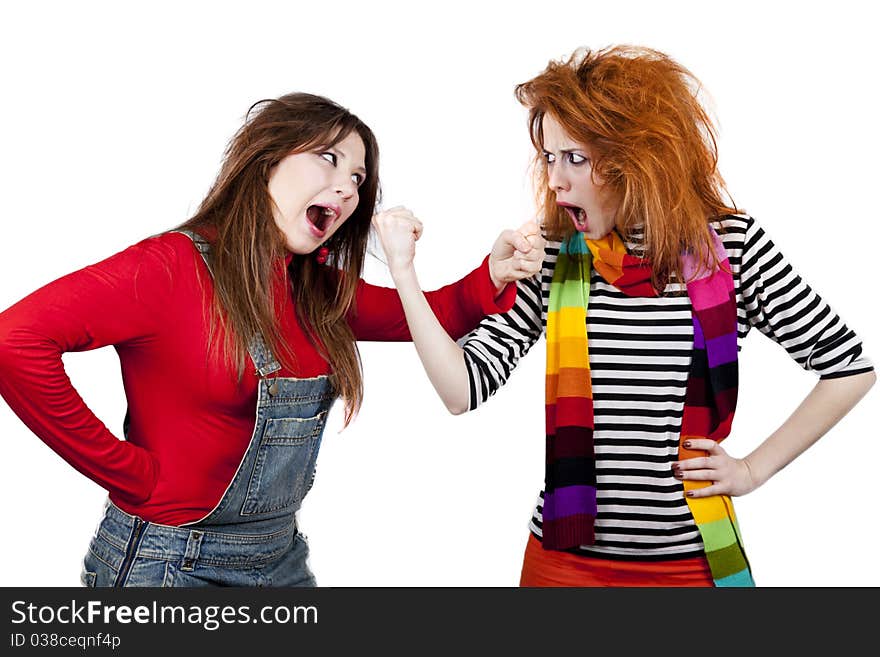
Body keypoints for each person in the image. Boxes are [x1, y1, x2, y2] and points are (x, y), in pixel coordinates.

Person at [0, 92, 544, 587]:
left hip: (279, 560)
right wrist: (130, 474)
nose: (349, 187)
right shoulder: (169, 268)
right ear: (267, 160)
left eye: (359, 178)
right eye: (329, 159)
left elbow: (434, 314)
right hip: (168, 566)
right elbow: (15, 341)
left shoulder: (314, 290)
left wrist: (493, 273)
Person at [387, 46, 875, 586]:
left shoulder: (731, 250)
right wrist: (407, 275)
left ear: (638, 157)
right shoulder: (551, 252)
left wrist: (752, 470)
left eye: (574, 157)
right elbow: (462, 389)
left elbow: (848, 368)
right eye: (549, 157)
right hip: (562, 563)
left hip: (690, 563)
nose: (555, 180)